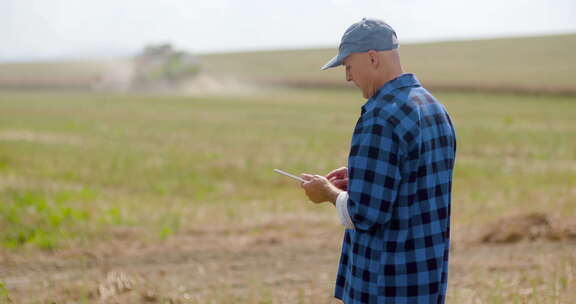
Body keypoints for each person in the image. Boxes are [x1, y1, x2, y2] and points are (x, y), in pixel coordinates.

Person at [300, 18, 457, 304]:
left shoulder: (380, 116)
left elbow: (365, 214)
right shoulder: (435, 107)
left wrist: (328, 193)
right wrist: (361, 175)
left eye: (348, 66)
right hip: (427, 276)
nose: (348, 77)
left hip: (386, 282)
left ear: (372, 58)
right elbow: (413, 175)